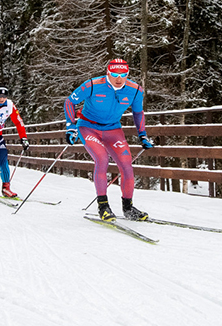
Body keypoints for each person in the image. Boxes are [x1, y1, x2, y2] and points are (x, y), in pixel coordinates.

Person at [64, 58, 154, 221]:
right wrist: (70, 126)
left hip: (112, 129)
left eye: (123, 74)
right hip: (88, 126)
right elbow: (70, 101)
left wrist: (142, 135)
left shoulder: (135, 90)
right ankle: (103, 206)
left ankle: (128, 208)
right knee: (102, 159)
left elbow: (138, 113)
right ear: (108, 73)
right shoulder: (92, 85)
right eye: (114, 74)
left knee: (126, 164)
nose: (119, 79)